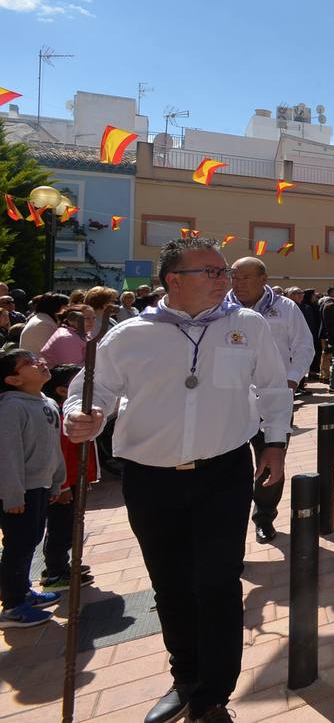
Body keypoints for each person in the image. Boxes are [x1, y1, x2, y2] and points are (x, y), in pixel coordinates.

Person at [63, 237, 293, 723]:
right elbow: (93, 389)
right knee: (170, 584)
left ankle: (213, 694)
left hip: (223, 473)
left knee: (217, 582)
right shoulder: (129, 335)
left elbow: (273, 388)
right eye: (209, 272)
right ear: (173, 280)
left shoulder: (246, 326)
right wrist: (83, 416)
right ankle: (184, 676)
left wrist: (275, 445)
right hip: (151, 480)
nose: (222, 279)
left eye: (223, 271)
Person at [227, 257, 315, 543]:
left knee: (271, 459)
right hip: (230, 399)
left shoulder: (285, 308)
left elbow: (303, 345)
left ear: (264, 279)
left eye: (246, 278)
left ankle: (264, 516)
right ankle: (231, 522)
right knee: (229, 464)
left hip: (273, 397)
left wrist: (291, 379)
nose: (238, 284)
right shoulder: (220, 309)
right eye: (234, 277)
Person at [0, 349, 65, 628]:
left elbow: (54, 446)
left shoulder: (47, 401)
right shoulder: (12, 407)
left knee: (30, 540)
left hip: (40, 484)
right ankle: (13, 605)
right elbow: (8, 454)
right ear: (13, 380)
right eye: (27, 364)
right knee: (18, 544)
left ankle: (22, 590)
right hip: (20, 491)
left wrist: (57, 481)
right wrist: (13, 493)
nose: (39, 363)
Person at [40, 363, 95, 591]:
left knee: (68, 525)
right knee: (60, 527)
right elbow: (59, 454)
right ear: (64, 391)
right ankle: (56, 572)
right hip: (65, 484)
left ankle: (62, 565)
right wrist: (61, 486)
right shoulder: (66, 417)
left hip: (73, 481)